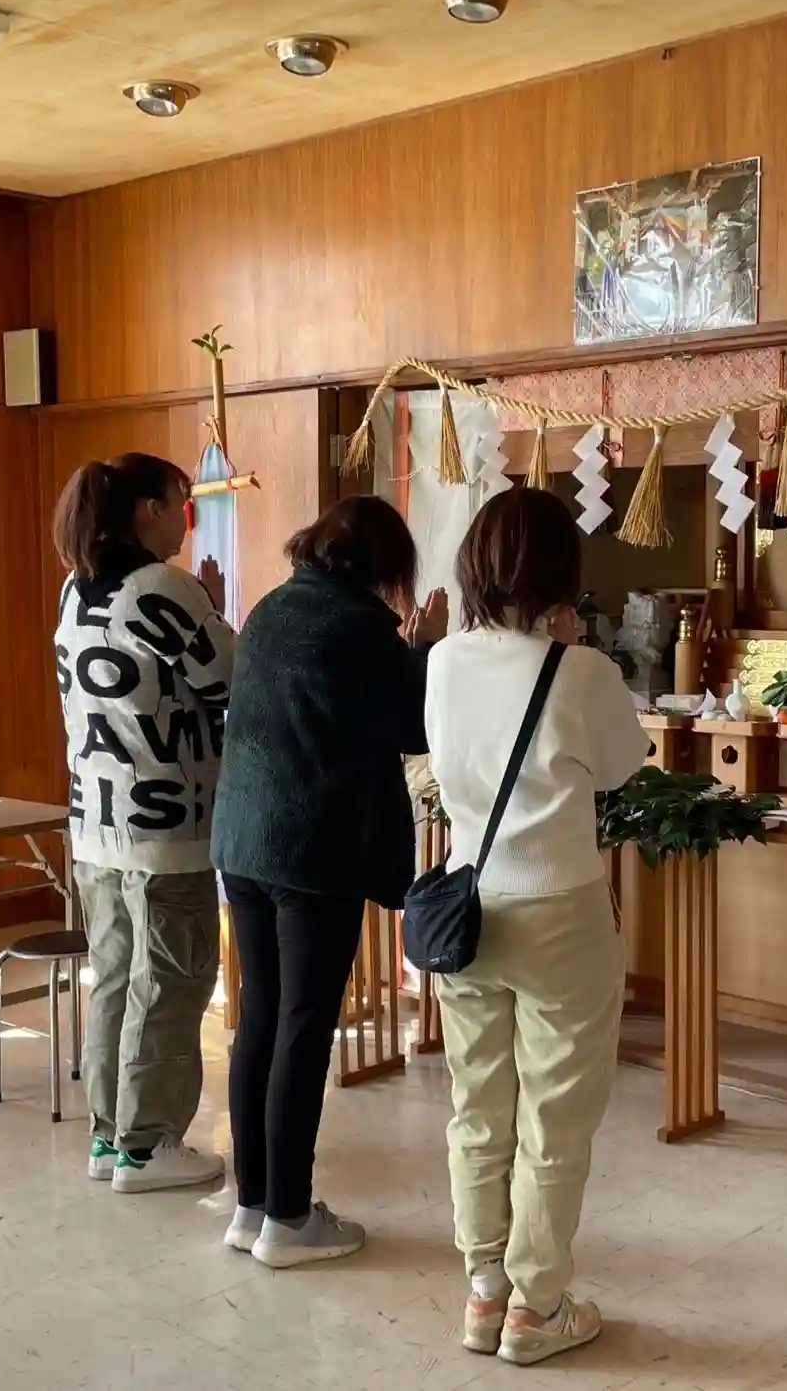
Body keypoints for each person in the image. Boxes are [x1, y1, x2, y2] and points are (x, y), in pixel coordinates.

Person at [425, 487, 649, 1367]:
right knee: (554, 1119)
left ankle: (485, 1291)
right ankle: (538, 1307)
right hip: (561, 907)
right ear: (563, 574)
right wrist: (569, 647)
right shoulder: (580, 670)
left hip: (468, 906)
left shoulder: (444, 660)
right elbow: (623, 764)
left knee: (478, 1108)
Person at [211, 495, 447, 1267]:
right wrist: (426, 647)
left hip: (243, 842)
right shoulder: (360, 626)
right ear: (383, 564)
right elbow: (413, 726)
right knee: (305, 1026)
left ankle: (251, 1206)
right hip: (311, 850)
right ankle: (288, 1219)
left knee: (261, 1018)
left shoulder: (271, 609)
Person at [53, 452, 235, 1194]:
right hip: (166, 824)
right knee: (171, 983)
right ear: (148, 511)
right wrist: (211, 605)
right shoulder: (164, 587)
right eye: (180, 505)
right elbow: (231, 678)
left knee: (115, 981)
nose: (187, 523)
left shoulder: (76, 587)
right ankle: (148, 1144)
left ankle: (109, 1135)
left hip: (97, 821)